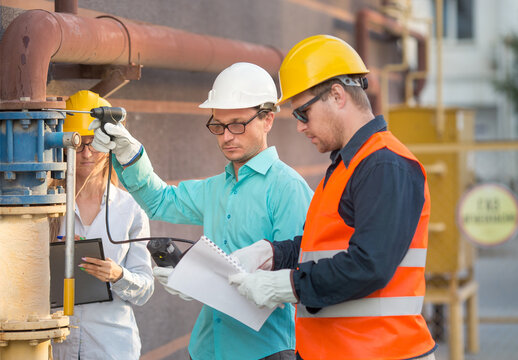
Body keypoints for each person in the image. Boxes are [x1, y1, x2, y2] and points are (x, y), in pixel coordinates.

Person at [229, 35, 437, 360]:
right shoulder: (350, 164)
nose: (299, 127)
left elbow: (370, 265)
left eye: (303, 114)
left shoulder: (384, 164)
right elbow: (326, 247)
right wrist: (273, 253)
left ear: (337, 95)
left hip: (382, 353)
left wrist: (287, 286)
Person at [89, 62, 314, 360]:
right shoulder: (216, 188)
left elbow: (296, 275)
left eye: (237, 124)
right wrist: (129, 155)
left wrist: (202, 283)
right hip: (207, 348)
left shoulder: (288, 189)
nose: (226, 137)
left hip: (265, 351)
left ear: (268, 119)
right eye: (218, 126)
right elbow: (159, 200)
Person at [51, 90, 154, 360]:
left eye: (94, 143)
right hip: (56, 346)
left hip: (112, 346)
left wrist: (118, 275)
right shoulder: (48, 206)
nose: (86, 153)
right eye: (77, 143)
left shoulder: (130, 209)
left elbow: (145, 289)